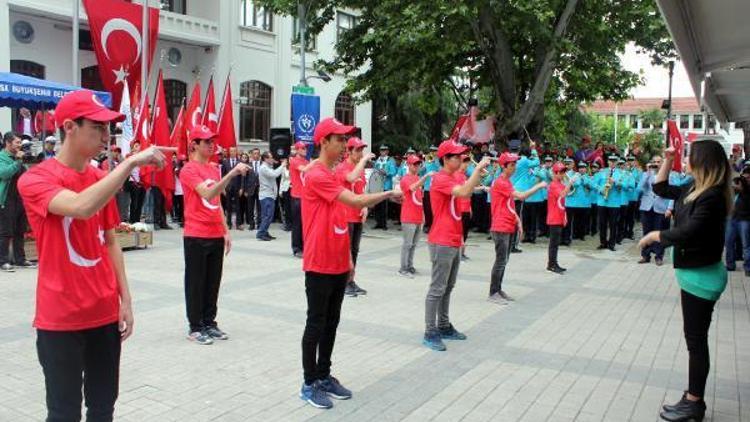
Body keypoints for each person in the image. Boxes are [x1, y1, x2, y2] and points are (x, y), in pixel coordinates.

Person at [18, 90, 166, 421]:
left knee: (102, 408)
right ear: (69, 126)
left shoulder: (101, 178)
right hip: (61, 318)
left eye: (107, 128)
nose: (105, 135)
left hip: (103, 313)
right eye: (97, 127)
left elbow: (110, 241)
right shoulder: (36, 178)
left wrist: (125, 299)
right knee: (63, 412)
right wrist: (130, 162)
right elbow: (81, 207)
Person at [299, 118, 399, 409]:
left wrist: (348, 260)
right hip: (318, 262)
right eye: (340, 140)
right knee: (316, 323)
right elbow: (354, 202)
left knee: (332, 322)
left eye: (346, 140)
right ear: (323, 142)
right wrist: (389, 193)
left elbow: (340, 219)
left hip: (337, 262)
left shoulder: (332, 173)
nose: (345, 145)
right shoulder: (317, 174)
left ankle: (324, 375)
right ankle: (309, 383)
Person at [639, 141, 731, 422]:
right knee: (695, 340)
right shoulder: (695, 187)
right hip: (695, 274)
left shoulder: (712, 196)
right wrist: (668, 159)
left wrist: (655, 237)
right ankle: (693, 397)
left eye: (689, 156)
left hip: (702, 277)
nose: (686, 160)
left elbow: (690, 231)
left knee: (696, 342)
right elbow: (660, 188)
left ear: (703, 161)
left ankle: (694, 402)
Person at [180, 125, 250, 345]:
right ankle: (195, 326)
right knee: (196, 282)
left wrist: (225, 230)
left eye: (212, 141)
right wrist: (231, 173)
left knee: (212, 282)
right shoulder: (189, 170)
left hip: (214, 234)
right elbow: (207, 192)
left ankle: (209, 322)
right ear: (194, 145)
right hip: (195, 234)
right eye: (206, 142)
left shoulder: (213, 168)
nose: (211, 145)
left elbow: (216, 201)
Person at [422, 139, 491, 352]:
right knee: (437, 288)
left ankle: (443, 325)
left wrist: (477, 173)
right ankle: (430, 331)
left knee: (448, 287)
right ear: (445, 159)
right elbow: (462, 193)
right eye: (456, 156)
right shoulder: (441, 179)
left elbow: (467, 191)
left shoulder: (454, 176)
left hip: (452, 238)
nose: (462, 159)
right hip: (441, 239)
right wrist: (477, 168)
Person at [488, 152, 546, 304]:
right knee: (500, 261)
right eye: (512, 165)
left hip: (508, 224)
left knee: (504, 260)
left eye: (515, 164)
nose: (514, 168)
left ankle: (498, 290)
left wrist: (517, 220)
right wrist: (538, 186)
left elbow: (509, 204)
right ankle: (493, 292)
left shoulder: (507, 181)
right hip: (500, 226)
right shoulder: (501, 182)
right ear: (503, 166)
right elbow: (520, 196)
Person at [335, 137, 374, 297]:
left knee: (355, 250)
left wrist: (364, 206)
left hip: (357, 215)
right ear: (348, 151)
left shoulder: (361, 169)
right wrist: (364, 160)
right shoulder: (342, 167)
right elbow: (350, 178)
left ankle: (350, 280)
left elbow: (360, 189)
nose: (360, 153)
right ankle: (343, 283)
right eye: (357, 150)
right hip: (345, 215)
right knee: (346, 251)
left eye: (362, 150)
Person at [0, 132, 35, 272]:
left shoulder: (18, 157)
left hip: (20, 197)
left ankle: (20, 259)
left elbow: (25, 175)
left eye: (20, 143)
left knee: (20, 230)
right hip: (6, 198)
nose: (20, 145)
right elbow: (4, 173)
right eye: (17, 143)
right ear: (8, 143)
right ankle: (3, 261)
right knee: (5, 231)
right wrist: (18, 161)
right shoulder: (2, 157)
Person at [398, 154, 432, 278]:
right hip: (408, 216)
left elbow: (419, 198)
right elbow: (412, 188)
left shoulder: (417, 178)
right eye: (414, 164)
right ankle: (403, 268)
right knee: (407, 244)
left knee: (413, 244)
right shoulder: (405, 179)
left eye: (418, 164)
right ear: (408, 165)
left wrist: (423, 215)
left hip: (417, 216)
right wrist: (425, 177)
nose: (417, 166)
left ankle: (410, 266)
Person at [639, 157, 672, 266]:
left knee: (659, 233)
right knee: (646, 231)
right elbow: (640, 188)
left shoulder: (668, 175)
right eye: (654, 162)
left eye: (659, 162)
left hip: (661, 207)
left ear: (663, 163)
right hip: (647, 206)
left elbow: (673, 194)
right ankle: (645, 255)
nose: (656, 164)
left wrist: (670, 208)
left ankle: (659, 256)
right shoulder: (646, 174)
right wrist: (647, 173)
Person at [509, 146, 540, 252]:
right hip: (520, 192)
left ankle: (510, 244)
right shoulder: (524, 160)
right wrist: (534, 148)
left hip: (511, 191)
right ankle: (513, 245)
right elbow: (537, 162)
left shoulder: (512, 160)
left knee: (511, 217)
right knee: (517, 219)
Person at [547, 162, 572, 274]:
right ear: (555, 173)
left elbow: (563, 201)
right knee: (554, 243)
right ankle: (552, 264)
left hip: (559, 215)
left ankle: (553, 263)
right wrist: (570, 184)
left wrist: (565, 216)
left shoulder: (560, 184)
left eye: (563, 172)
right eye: (560, 172)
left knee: (556, 243)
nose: (563, 175)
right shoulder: (553, 185)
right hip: (554, 217)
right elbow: (562, 194)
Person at [594, 155, 623, 251]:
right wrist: (600, 190)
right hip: (602, 201)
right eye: (611, 160)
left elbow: (623, 185)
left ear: (617, 162)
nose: (612, 162)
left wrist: (615, 182)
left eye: (614, 161)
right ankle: (603, 243)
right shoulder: (602, 172)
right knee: (602, 223)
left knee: (613, 224)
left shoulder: (620, 173)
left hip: (614, 203)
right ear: (608, 162)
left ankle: (612, 244)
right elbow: (594, 183)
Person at [725, 164, 750, 275]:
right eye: (744, 177)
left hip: (745, 219)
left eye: (748, 177)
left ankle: (748, 268)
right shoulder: (738, 182)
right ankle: (730, 265)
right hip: (732, 218)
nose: (746, 179)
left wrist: (742, 190)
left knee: (746, 244)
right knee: (728, 242)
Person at [257, 151, 288, 241]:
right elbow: (274, 174)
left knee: (268, 215)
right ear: (265, 159)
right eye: (270, 157)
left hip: (269, 195)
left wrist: (277, 164)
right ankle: (261, 233)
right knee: (268, 215)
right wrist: (282, 165)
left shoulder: (267, 166)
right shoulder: (263, 168)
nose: (272, 159)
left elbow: (274, 172)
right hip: (266, 195)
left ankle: (265, 232)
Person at [289, 142, 310, 257]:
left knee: (305, 223)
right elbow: (305, 169)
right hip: (297, 196)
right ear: (297, 150)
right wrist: (317, 162)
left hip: (306, 197)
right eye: (302, 148)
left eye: (305, 148)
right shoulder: (294, 161)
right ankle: (297, 248)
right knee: (297, 224)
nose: (305, 150)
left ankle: (304, 247)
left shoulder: (307, 161)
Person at [372, 145, 397, 230]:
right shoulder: (377, 161)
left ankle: (384, 224)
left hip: (386, 185)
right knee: (377, 205)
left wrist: (386, 173)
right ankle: (378, 223)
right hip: (378, 185)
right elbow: (374, 171)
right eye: (381, 150)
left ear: (387, 151)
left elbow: (394, 172)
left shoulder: (390, 161)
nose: (382, 152)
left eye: (384, 150)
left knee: (384, 206)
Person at [125, 140, 146, 224]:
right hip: (133, 182)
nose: (138, 147)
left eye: (139, 145)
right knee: (134, 202)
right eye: (136, 146)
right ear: (132, 148)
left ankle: (137, 220)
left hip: (141, 182)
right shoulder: (129, 156)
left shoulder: (143, 157)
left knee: (140, 202)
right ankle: (132, 220)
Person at [222, 147, 242, 229]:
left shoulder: (240, 162)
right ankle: (228, 224)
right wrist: (223, 187)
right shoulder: (225, 162)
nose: (233, 152)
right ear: (229, 152)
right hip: (228, 187)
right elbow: (223, 175)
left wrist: (242, 187)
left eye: (234, 151)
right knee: (228, 206)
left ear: (236, 152)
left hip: (237, 187)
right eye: (231, 151)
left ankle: (238, 224)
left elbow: (242, 177)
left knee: (238, 206)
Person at [422, 145, 440, 233]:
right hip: (426, 188)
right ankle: (428, 224)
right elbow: (421, 172)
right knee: (427, 208)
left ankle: (434, 225)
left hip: (435, 188)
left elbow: (441, 170)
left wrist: (436, 160)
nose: (432, 153)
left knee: (434, 208)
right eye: (431, 151)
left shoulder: (440, 161)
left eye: (434, 151)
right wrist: (423, 165)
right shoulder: (427, 161)